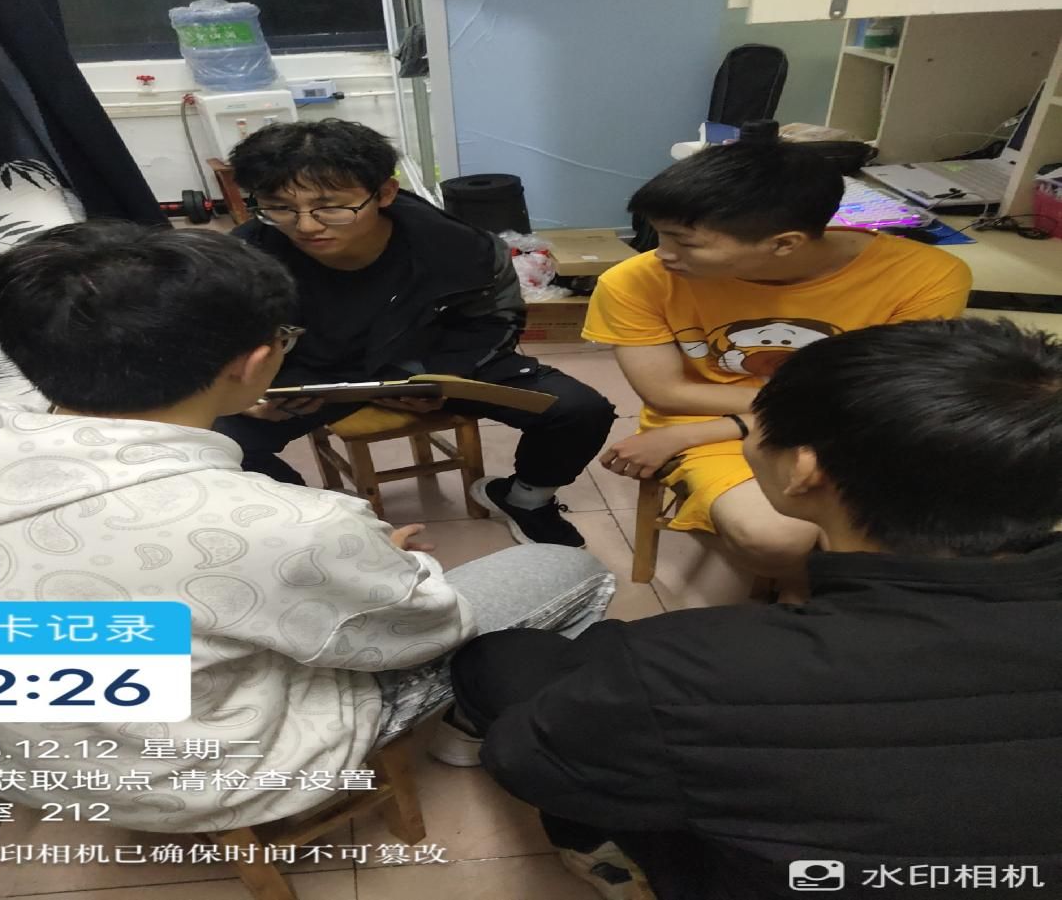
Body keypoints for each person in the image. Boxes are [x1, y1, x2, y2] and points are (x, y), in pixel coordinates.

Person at [0, 222, 615, 833]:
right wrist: (383, 565)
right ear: (255, 362)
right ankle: (471, 724)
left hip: (0, 760)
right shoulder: (283, 523)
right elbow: (416, 630)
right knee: (568, 573)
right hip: (202, 776)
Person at [448, 318, 1062, 900]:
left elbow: (528, 761)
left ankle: (599, 850)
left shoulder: (684, 666)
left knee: (501, 659)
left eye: (754, 425)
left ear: (804, 470)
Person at [584, 142, 972, 601]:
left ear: (785, 243)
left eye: (684, 242)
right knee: (775, 538)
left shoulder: (925, 275)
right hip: (725, 423)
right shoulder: (635, 282)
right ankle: (803, 592)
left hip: (853, 426)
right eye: (659, 235)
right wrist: (729, 427)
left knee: (943, 532)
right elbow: (668, 393)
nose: (661, 254)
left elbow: (887, 398)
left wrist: (714, 428)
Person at [214, 118, 616, 548]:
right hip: (311, 377)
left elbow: (494, 322)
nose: (307, 226)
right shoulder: (241, 257)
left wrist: (435, 376)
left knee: (579, 409)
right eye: (279, 207)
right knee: (207, 445)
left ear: (385, 192)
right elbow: (213, 337)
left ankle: (526, 500)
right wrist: (245, 391)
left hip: (432, 363)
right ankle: (319, 529)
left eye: (331, 207)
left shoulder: (462, 248)